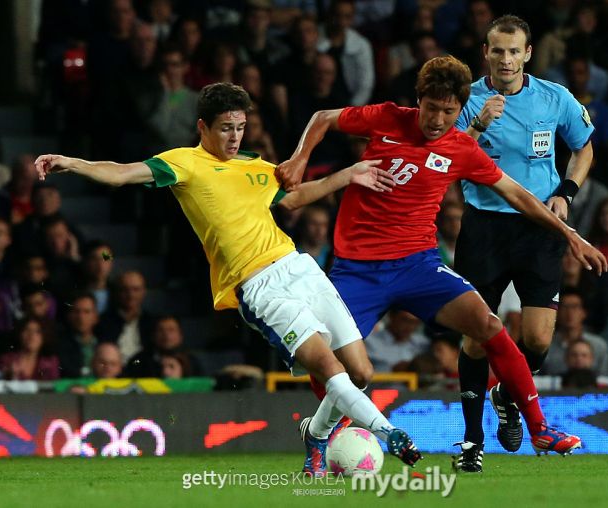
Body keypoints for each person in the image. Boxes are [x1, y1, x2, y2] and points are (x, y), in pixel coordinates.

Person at [35, 82, 420, 476]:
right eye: (225, 128)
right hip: (258, 287)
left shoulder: (255, 166)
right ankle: (389, 433)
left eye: (240, 127)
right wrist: (73, 162)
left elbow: (294, 198)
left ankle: (316, 435)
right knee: (328, 366)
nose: (235, 137)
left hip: (299, 268)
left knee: (362, 373)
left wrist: (348, 174)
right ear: (203, 127)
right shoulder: (183, 163)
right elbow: (121, 174)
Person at [278, 55, 607, 472]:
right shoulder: (386, 118)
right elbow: (323, 117)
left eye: (449, 111)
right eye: (431, 108)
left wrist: (570, 235)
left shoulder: (461, 148)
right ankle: (319, 435)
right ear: (419, 100)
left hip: (418, 265)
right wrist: (299, 159)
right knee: (338, 367)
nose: (437, 119)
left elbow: (520, 196)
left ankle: (539, 427)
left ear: (460, 108)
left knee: (489, 326)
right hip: (357, 268)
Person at [451, 15, 596, 470]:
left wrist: (566, 193)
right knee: (476, 338)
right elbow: (446, 162)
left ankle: (506, 394)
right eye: (498, 50)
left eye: (515, 51)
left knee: (536, 340)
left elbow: (584, 146)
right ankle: (472, 444)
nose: (506, 59)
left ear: (528, 54)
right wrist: (476, 123)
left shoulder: (555, 98)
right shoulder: (468, 100)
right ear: (486, 53)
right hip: (484, 229)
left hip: (538, 229)